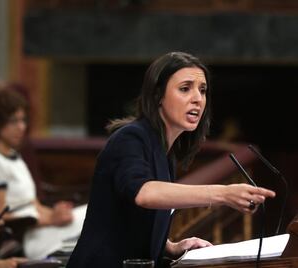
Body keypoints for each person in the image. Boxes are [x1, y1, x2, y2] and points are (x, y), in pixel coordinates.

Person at [67, 52, 276, 267]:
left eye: (202, 90)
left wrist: (170, 247)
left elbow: (133, 218)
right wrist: (222, 193)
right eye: (185, 89)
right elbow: (144, 194)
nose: (197, 98)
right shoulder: (130, 138)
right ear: (158, 95)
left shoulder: (164, 148)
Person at [0, 83, 87, 260]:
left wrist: (56, 213)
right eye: (14, 121)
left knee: (93, 211)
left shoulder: (13, 156)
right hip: (25, 237)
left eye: (23, 120)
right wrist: (51, 219)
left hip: (41, 228)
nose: (22, 127)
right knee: (96, 219)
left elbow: (34, 205)